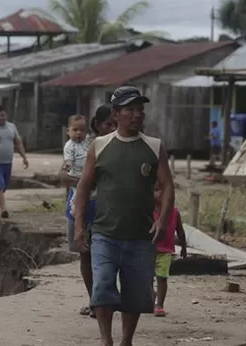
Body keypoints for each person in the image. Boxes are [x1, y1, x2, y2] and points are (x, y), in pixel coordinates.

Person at [74, 86, 174, 346]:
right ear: (116, 114)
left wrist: (162, 219)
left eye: (140, 109)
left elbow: (167, 185)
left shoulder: (154, 147)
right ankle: (106, 339)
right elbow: (84, 186)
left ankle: (126, 341)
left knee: (135, 295)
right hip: (105, 234)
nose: (137, 114)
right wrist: (79, 225)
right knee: (103, 287)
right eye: (130, 109)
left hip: (141, 237)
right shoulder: (100, 146)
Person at [59, 105, 115, 319]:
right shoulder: (87, 146)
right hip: (82, 204)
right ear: (98, 125)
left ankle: (102, 300)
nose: (112, 127)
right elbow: (64, 175)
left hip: (104, 207)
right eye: (108, 124)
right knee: (85, 254)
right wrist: (82, 183)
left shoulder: (118, 146)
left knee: (104, 256)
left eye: (114, 123)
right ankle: (95, 300)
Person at [152, 183, 187, 317]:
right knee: (147, 279)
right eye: (155, 190)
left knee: (162, 278)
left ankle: (159, 304)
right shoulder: (148, 211)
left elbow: (180, 232)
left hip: (165, 251)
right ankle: (152, 297)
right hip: (149, 251)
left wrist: (183, 247)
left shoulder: (174, 212)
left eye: (162, 190)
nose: (159, 194)